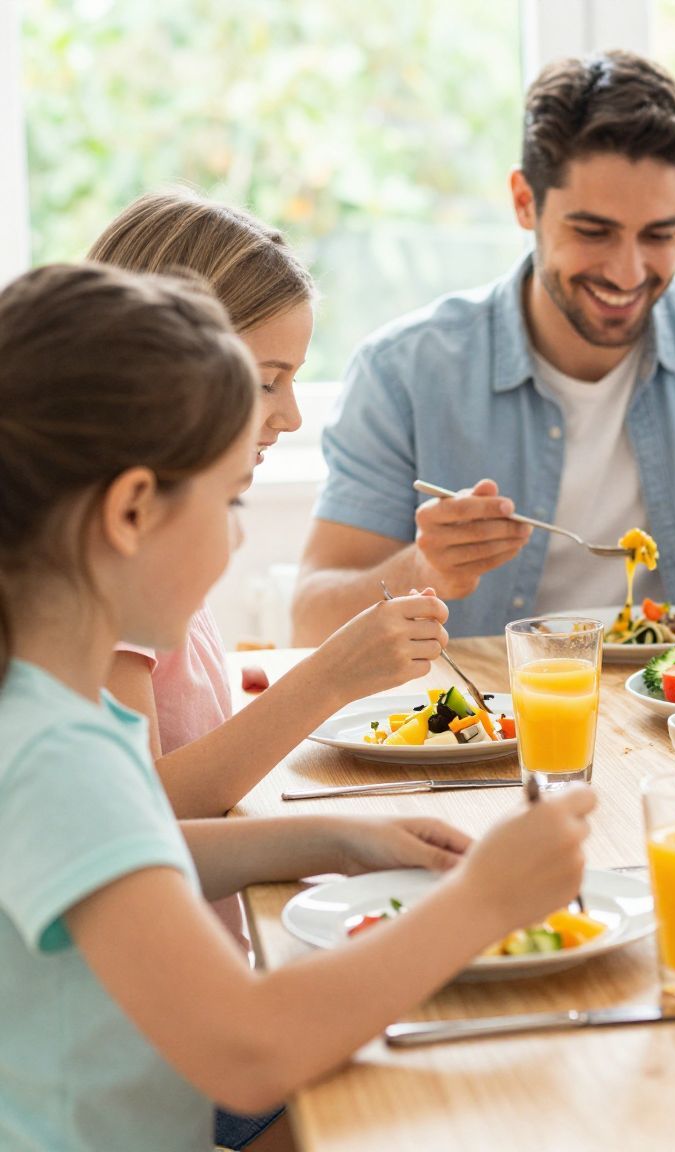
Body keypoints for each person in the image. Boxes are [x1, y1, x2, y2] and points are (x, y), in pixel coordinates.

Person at [0, 264, 596, 1149]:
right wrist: (482, 900)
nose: (238, 534)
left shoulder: (53, 719)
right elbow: (250, 1048)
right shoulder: (54, 756)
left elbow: (133, 857)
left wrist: (337, 839)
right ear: (130, 511)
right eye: (229, 499)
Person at [292, 50, 675, 642]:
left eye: (660, 234)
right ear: (525, 201)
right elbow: (312, 616)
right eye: (593, 231)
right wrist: (423, 572)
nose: (628, 272)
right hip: (488, 726)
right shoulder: (404, 371)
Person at [91, 189, 451, 818]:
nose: (291, 415)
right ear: (161, 371)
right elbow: (143, 821)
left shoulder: (148, 532)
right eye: (265, 382)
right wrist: (329, 677)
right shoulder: (114, 563)